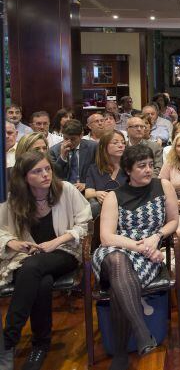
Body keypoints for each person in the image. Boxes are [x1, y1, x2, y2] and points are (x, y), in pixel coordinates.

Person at [90, 145, 178, 370]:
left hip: (149, 251)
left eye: (150, 165)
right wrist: (141, 247)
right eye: (142, 166)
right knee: (116, 260)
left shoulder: (163, 186)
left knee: (120, 284)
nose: (149, 170)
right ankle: (140, 331)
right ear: (128, 170)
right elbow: (107, 237)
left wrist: (157, 237)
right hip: (121, 246)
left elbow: (173, 222)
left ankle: (121, 353)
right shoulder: (114, 197)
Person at [0, 151, 91, 369]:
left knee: (32, 267)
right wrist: (13, 242)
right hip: (29, 256)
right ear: (24, 177)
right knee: (41, 281)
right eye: (37, 171)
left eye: (47, 169)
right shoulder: (14, 199)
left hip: (65, 252)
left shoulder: (66, 190)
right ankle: (40, 345)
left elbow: (85, 224)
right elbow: (1, 230)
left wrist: (57, 241)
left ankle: (7, 341)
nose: (45, 174)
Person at [85, 131, 128, 218]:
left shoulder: (130, 167)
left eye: (123, 142)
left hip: (126, 210)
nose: (121, 145)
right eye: (115, 143)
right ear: (103, 147)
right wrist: (97, 194)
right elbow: (88, 192)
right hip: (103, 212)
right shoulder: (94, 169)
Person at [49, 120, 97, 193]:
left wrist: (87, 184)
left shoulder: (93, 147)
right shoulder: (54, 150)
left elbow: (100, 171)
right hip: (64, 191)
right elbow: (54, 176)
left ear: (81, 135)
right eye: (66, 138)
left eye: (73, 139)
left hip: (86, 190)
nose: (69, 142)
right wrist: (62, 157)